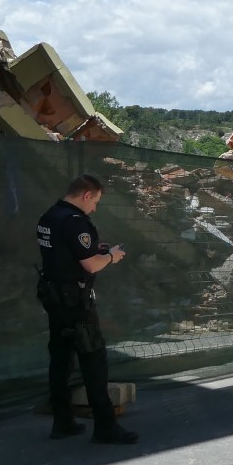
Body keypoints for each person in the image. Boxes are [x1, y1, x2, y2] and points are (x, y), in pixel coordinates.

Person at [36, 174, 138, 444]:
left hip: (54, 298)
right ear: (86, 195)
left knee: (60, 360)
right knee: (93, 361)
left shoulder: (49, 216)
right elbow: (91, 265)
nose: (95, 208)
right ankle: (106, 426)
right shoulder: (76, 222)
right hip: (76, 302)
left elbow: (63, 252)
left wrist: (95, 250)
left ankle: (63, 420)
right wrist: (111, 256)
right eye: (96, 202)